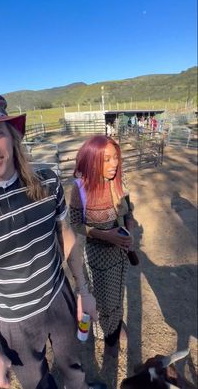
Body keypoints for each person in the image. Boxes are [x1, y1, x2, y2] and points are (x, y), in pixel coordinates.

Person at [0, 88, 107, 389]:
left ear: (12, 136)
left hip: (60, 297)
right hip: (14, 322)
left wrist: (82, 289)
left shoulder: (48, 181)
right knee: (37, 384)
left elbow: (67, 235)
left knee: (73, 368)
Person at [69, 135, 135, 357]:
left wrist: (129, 231)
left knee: (117, 295)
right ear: (92, 159)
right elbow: (76, 224)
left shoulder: (117, 183)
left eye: (115, 158)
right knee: (102, 300)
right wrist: (106, 236)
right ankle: (106, 335)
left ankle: (114, 328)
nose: (114, 164)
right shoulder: (80, 189)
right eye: (106, 159)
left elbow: (128, 210)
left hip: (120, 254)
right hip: (97, 257)